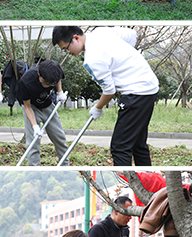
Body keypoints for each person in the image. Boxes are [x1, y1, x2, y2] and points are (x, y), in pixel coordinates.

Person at [51, 26, 159, 166]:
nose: (67, 53)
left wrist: (98, 107)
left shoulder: (92, 59)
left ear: (76, 38)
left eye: (66, 48)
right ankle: (146, 181)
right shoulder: (101, 32)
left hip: (136, 93)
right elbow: (132, 34)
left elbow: (109, 90)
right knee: (138, 144)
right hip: (149, 87)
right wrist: (125, 60)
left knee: (120, 147)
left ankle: (128, 181)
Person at [16, 59, 69, 166]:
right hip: (32, 107)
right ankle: (34, 169)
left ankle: (65, 166)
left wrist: (59, 92)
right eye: (44, 82)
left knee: (59, 137)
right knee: (33, 142)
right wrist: (35, 126)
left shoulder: (56, 71)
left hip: (47, 105)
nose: (47, 86)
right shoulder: (26, 81)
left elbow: (58, 79)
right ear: (39, 73)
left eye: (50, 84)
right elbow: (27, 106)